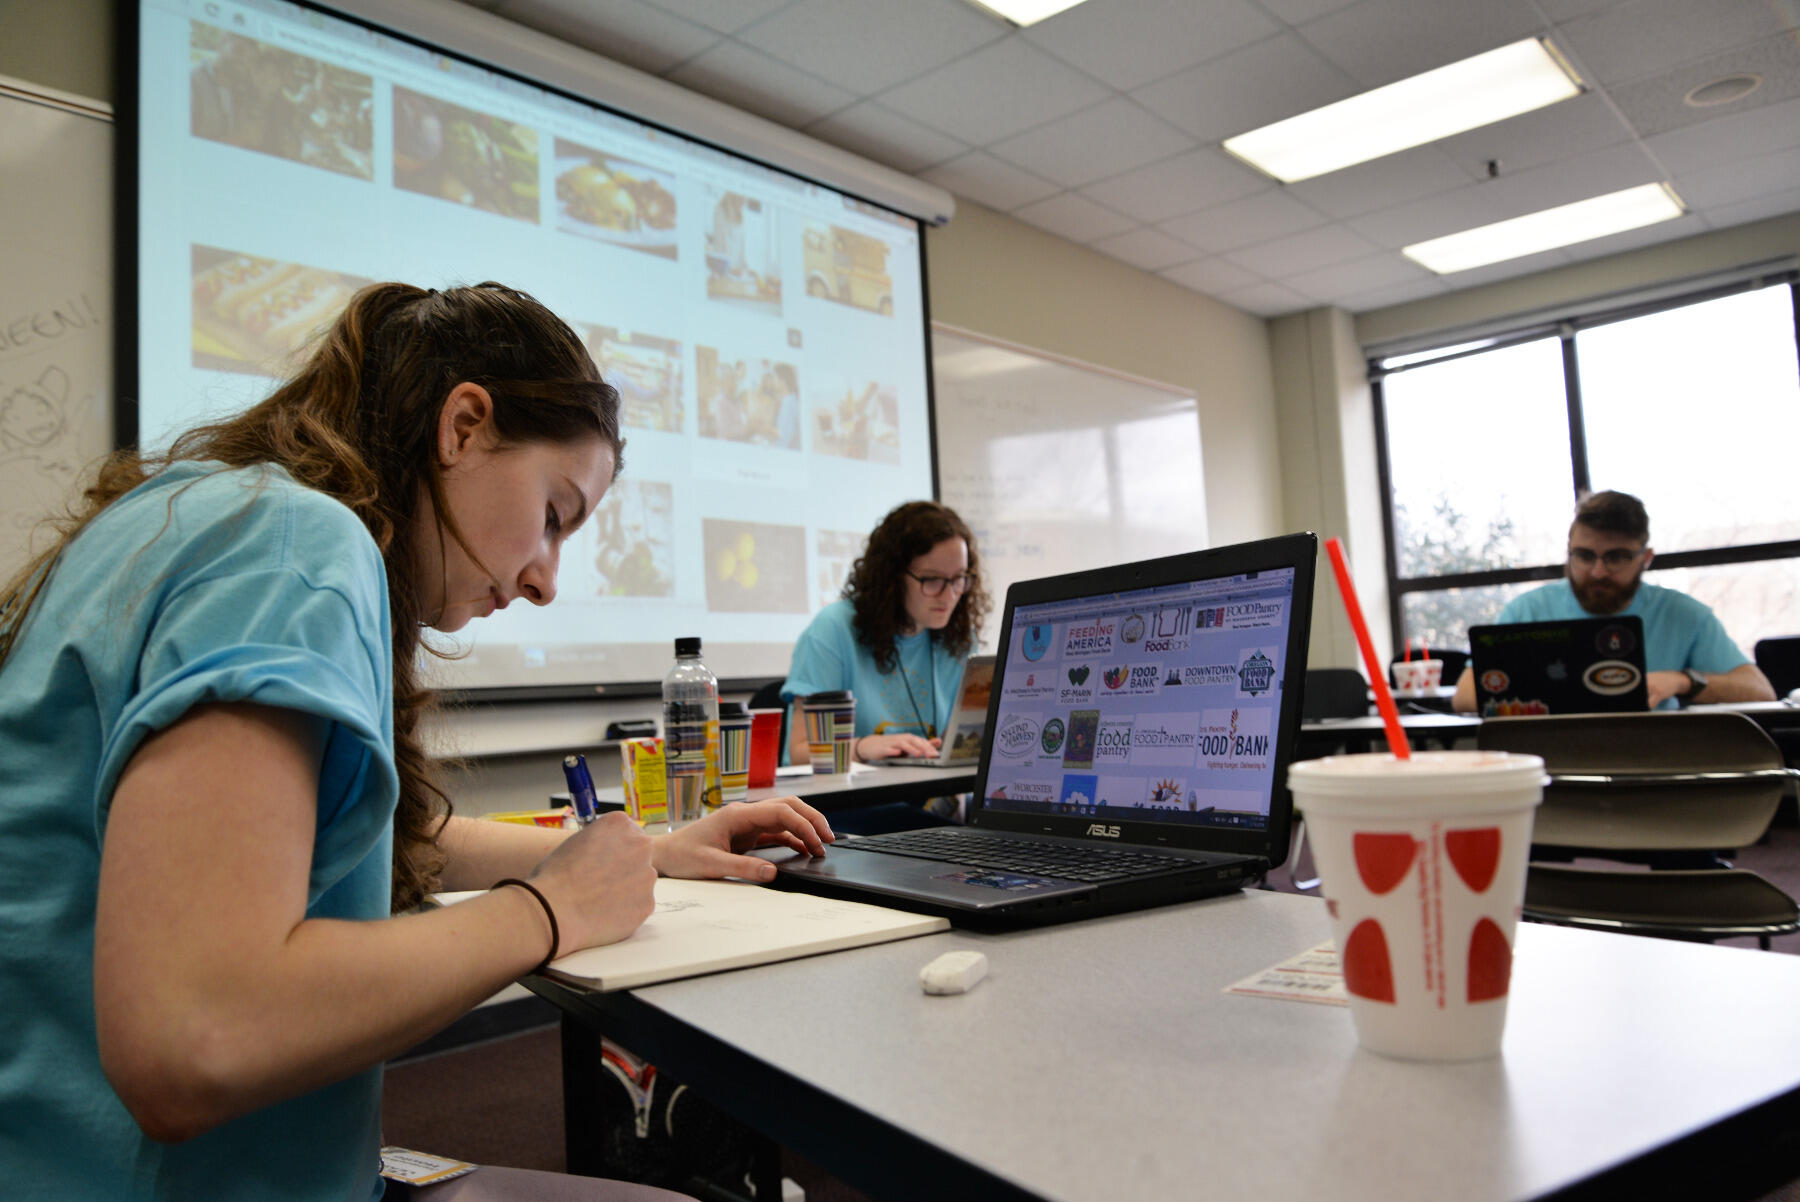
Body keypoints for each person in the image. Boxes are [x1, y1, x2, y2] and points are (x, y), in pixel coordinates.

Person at [0, 282, 834, 1201]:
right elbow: (195, 1035)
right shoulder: (292, 546)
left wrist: (653, 853)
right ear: (463, 427)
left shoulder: (197, 518)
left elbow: (347, 842)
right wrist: (546, 912)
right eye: (552, 516)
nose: (546, 581)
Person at [1453, 490, 1775, 712]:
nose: (1598, 572)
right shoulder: (1527, 610)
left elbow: (1760, 692)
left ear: (1646, 558)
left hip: (1653, 764)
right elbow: (1465, 696)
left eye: (1616, 557)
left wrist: (1682, 682)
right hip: (1551, 765)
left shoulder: (1684, 614)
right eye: (1584, 555)